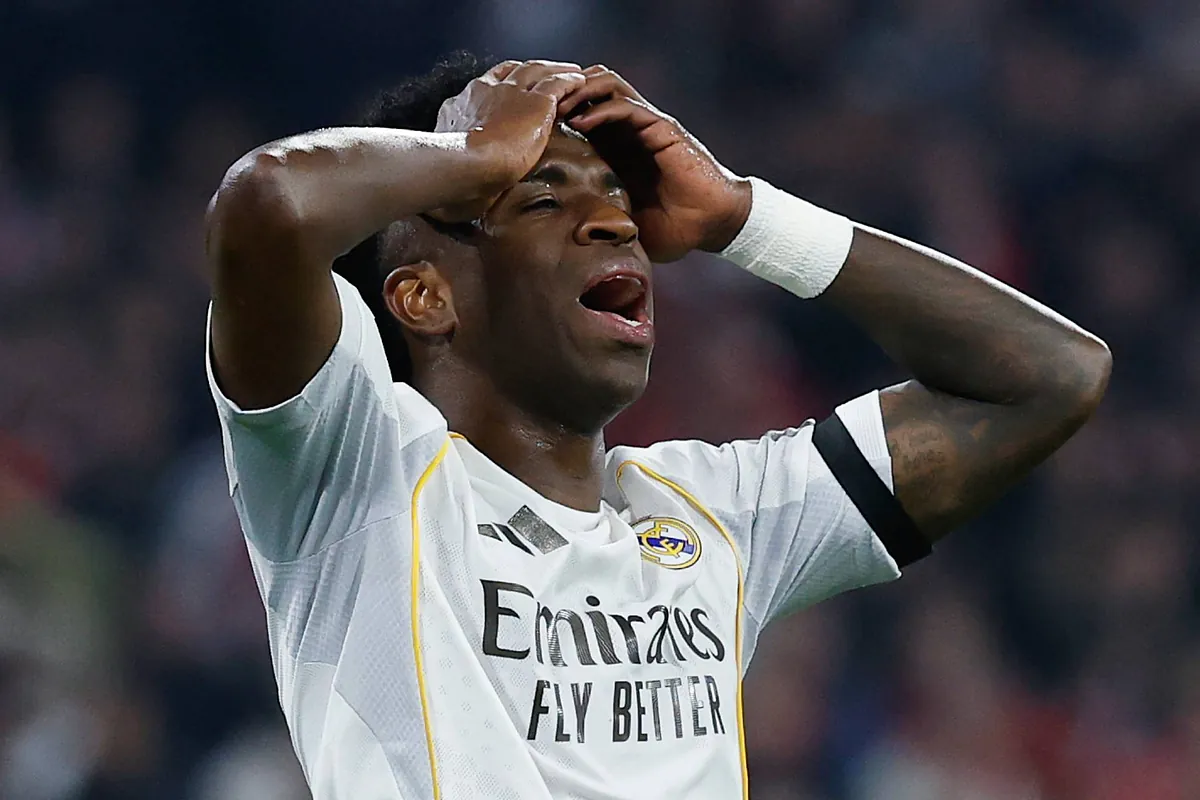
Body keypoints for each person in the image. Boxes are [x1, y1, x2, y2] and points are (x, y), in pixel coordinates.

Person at [203, 53, 1111, 800]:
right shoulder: (359, 472)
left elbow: (1049, 379)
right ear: (425, 297)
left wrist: (746, 218)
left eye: (617, 198)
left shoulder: (713, 516)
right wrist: (478, 152)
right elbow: (266, 206)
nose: (612, 223)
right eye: (544, 199)